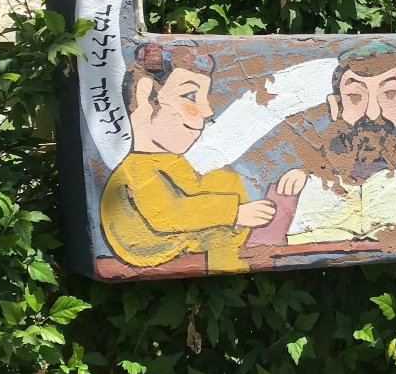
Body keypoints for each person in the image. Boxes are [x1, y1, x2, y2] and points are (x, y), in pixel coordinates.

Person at [99, 43, 275, 272]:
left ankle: (227, 254)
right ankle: (223, 259)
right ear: (144, 95)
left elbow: (193, 193)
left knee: (223, 181)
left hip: (178, 236)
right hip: (148, 244)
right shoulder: (138, 168)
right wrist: (235, 213)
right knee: (218, 214)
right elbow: (168, 214)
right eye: (190, 95)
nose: (207, 111)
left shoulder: (171, 162)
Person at [273, 42, 396, 244]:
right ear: (336, 106)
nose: (373, 113)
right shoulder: (332, 149)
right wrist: (301, 174)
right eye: (356, 96)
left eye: (389, 94)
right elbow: (316, 167)